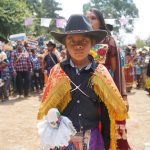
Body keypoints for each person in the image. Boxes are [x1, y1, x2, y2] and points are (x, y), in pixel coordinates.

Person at [37, 14, 128, 150]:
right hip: (64, 140)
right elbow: (49, 109)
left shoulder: (100, 72)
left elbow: (106, 111)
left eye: (83, 41)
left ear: (92, 43)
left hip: (93, 139)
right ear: (65, 44)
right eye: (72, 41)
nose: (77, 46)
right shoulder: (57, 71)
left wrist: (106, 140)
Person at [85, 8, 130, 150]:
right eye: (87, 18)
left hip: (107, 92)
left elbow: (117, 71)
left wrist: (123, 95)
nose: (90, 21)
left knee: (107, 129)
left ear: (101, 21)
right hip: (87, 92)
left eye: (93, 18)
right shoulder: (84, 40)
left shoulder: (109, 40)